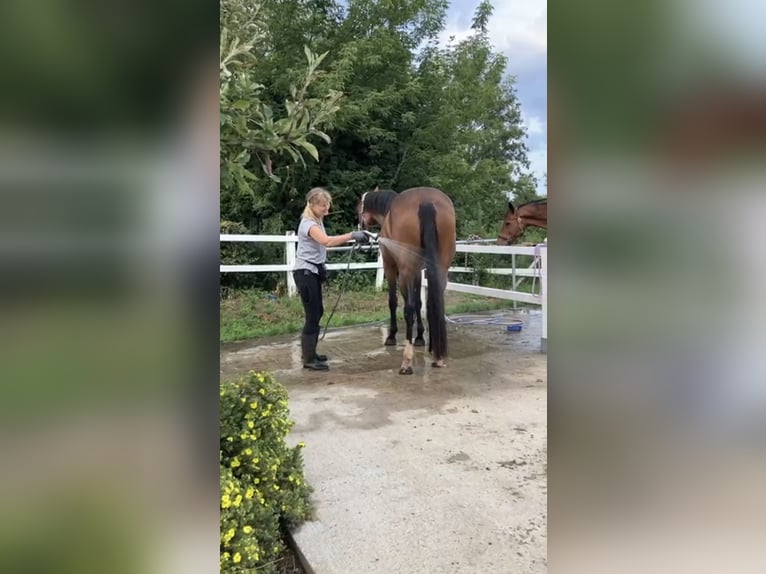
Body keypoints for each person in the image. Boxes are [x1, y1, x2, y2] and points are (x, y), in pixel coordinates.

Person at [294, 187, 369, 371]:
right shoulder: (308, 224)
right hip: (305, 273)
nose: (327, 209)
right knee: (313, 315)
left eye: (328, 205)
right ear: (311, 205)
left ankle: (311, 354)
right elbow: (326, 242)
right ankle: (308, 359)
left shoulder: (317, 221)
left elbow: (324, 245)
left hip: (312, 272)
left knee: (317, 312)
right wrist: (352, 235)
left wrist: (352, 241)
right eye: (323, 206)